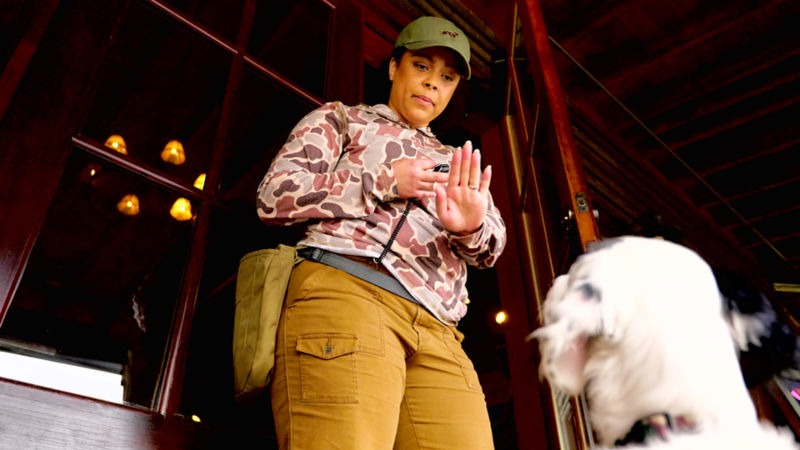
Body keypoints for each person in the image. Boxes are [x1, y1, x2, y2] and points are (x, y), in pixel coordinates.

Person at [257, 16, 506, 449]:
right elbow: (274, 196)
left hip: (439, 330)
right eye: (422, 67)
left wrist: (471, 228)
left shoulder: (455, 159)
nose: (432, 84)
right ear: (394, 67)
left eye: (447, 78)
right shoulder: (342, 120)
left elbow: (492, 246)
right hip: (348, 291)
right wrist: (383, 181)